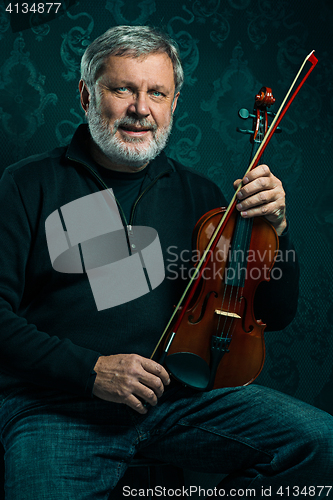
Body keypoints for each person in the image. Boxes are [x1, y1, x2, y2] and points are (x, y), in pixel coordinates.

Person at [0, 25, 332, 499]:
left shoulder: (201, 197)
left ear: (174, 103)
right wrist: (91, 371)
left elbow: (275, 314)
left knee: (321, 444)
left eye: (157, 92)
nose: (141, 109)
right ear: (86, 94)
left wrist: (277, 229)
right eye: (122, 89)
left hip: (176, 403)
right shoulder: (27, 184)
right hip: (57, 407)